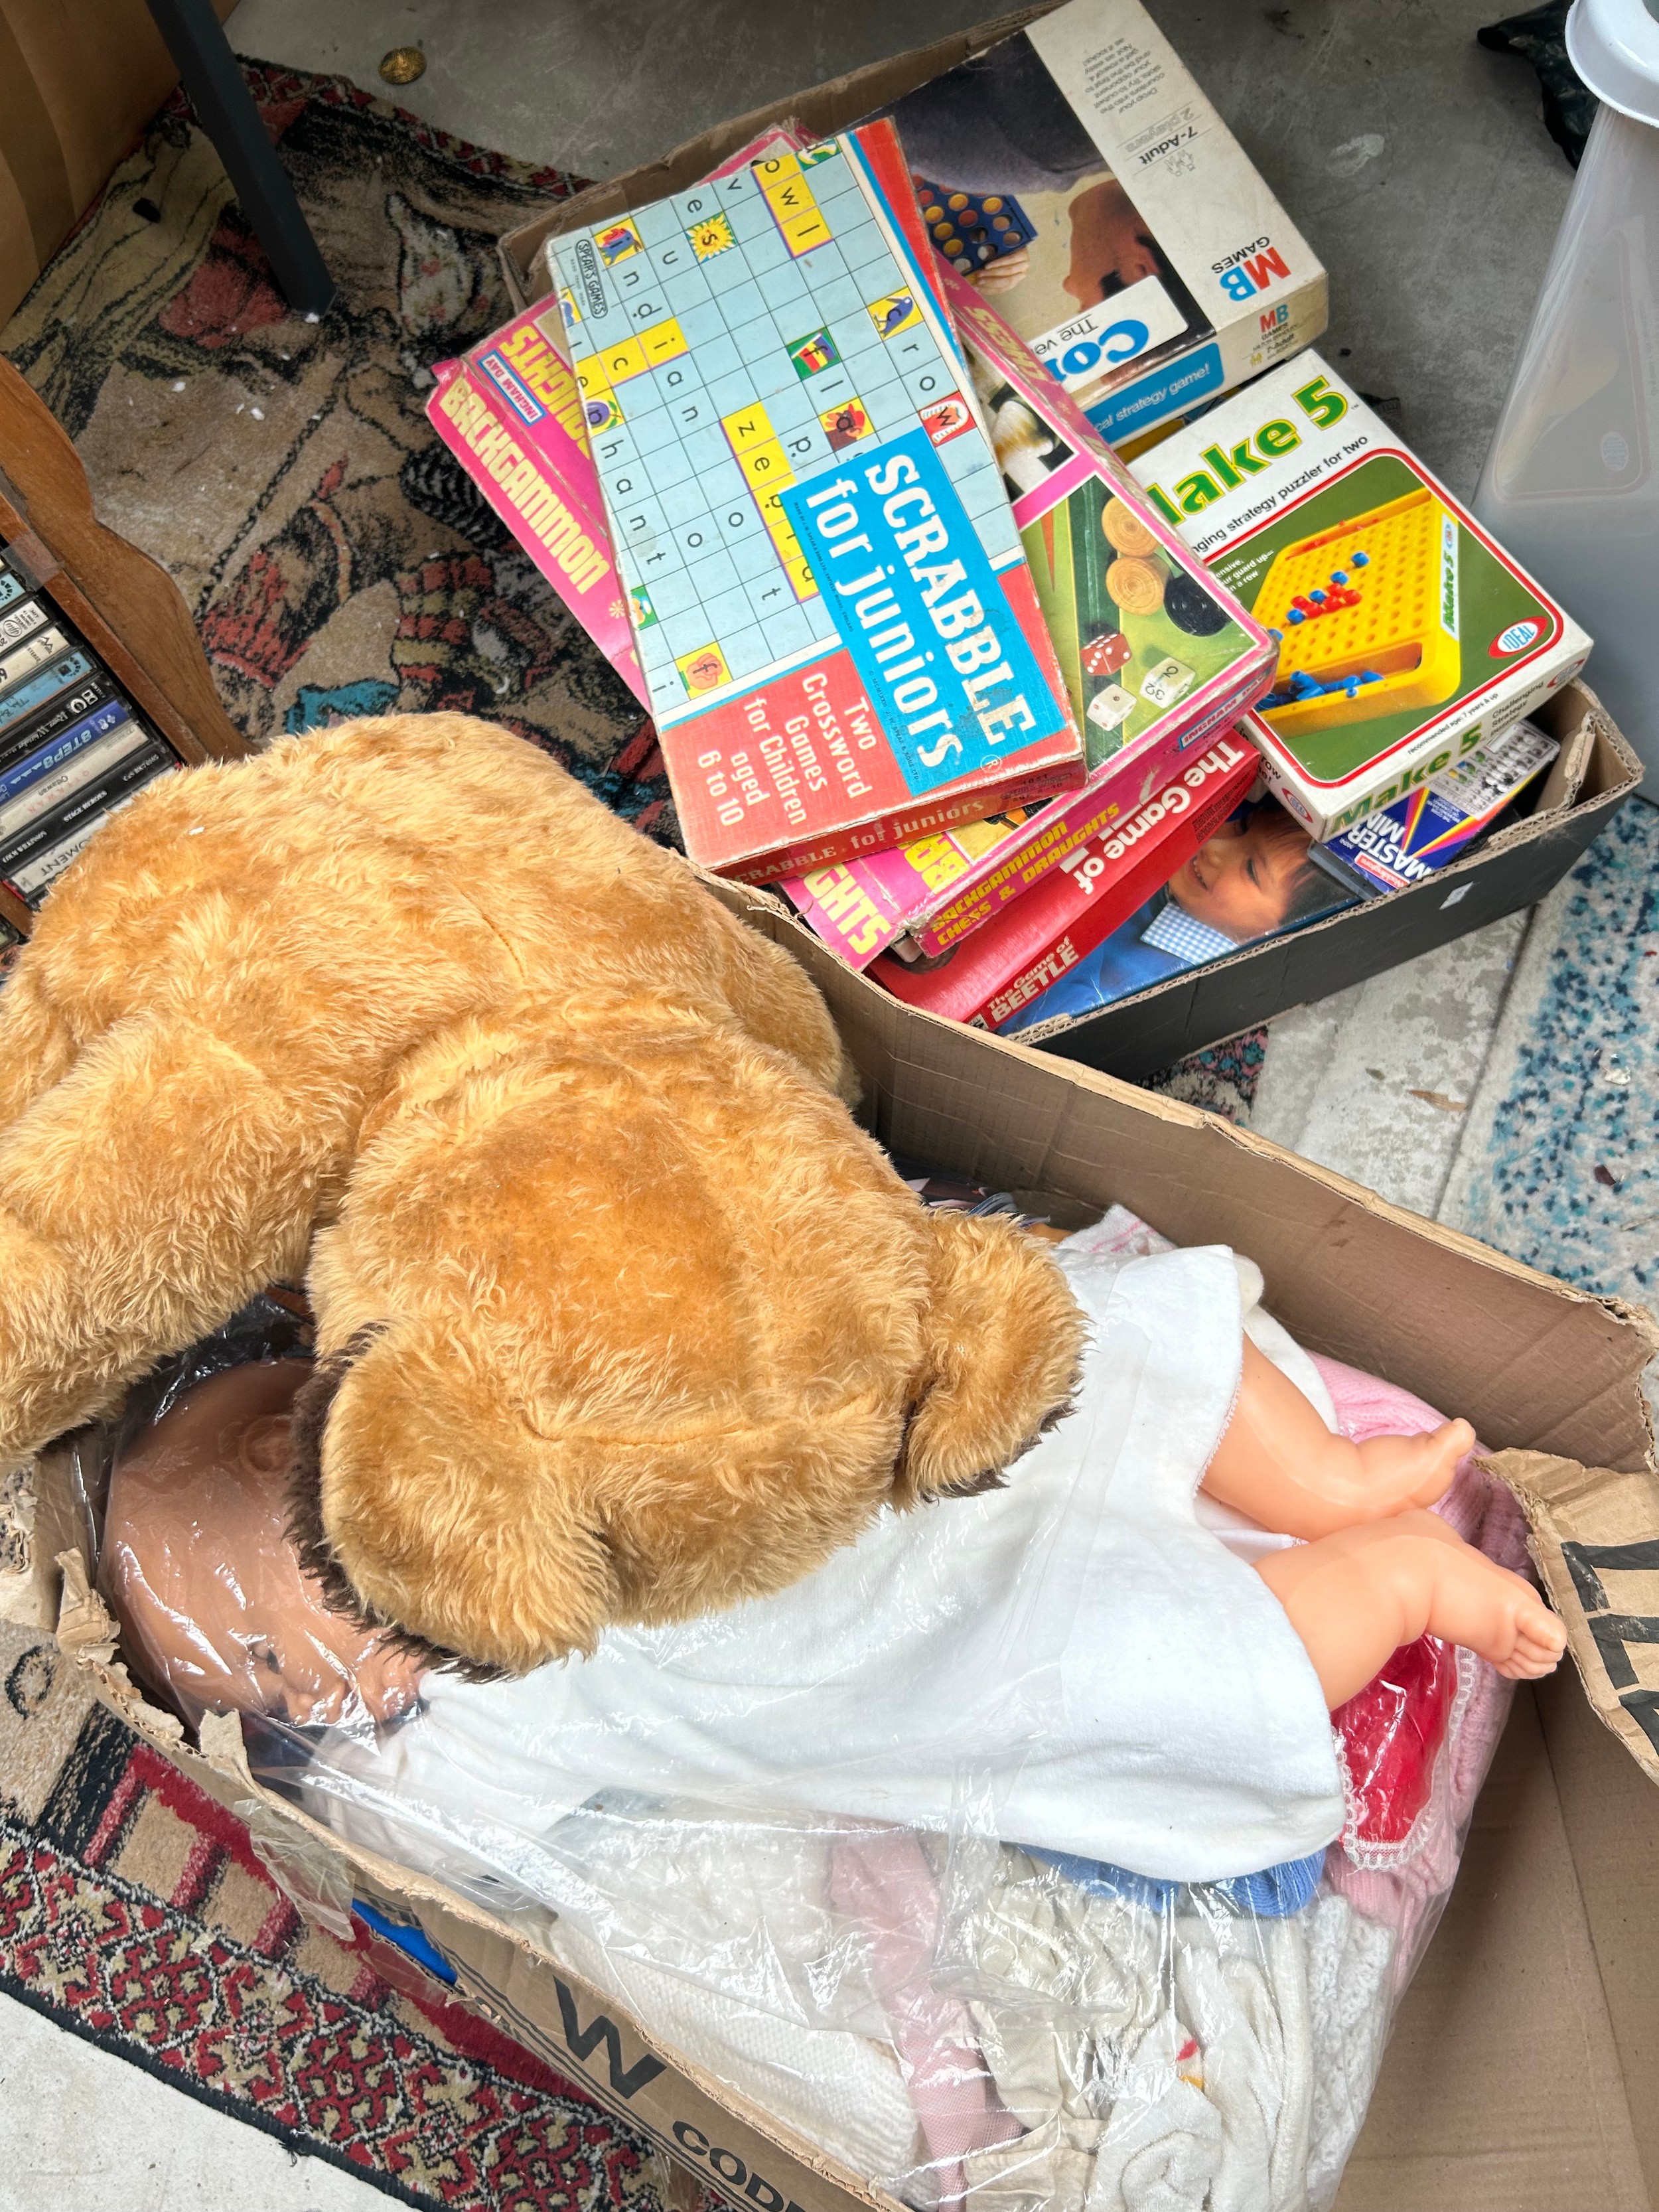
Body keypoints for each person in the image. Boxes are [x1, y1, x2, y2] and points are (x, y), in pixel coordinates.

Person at [101, 1239, 1562, 1887]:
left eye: (277, 1661)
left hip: (884, 1449)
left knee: (1074, 1336)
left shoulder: (498, 1406)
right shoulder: (471, 1723)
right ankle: (1399, 1578)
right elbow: (439, 1837)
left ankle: (1328, 1480)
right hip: (946, 1637)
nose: (319, 1702)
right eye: (280, 1699)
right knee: (1163, 1671)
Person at [1003, 797, 1352, 1033]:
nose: (1215, 845)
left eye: (1251, 870)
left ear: (1277, 932)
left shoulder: (1145, 990)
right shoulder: (1177, 886)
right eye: (1242, 824)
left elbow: (1023, 1026)